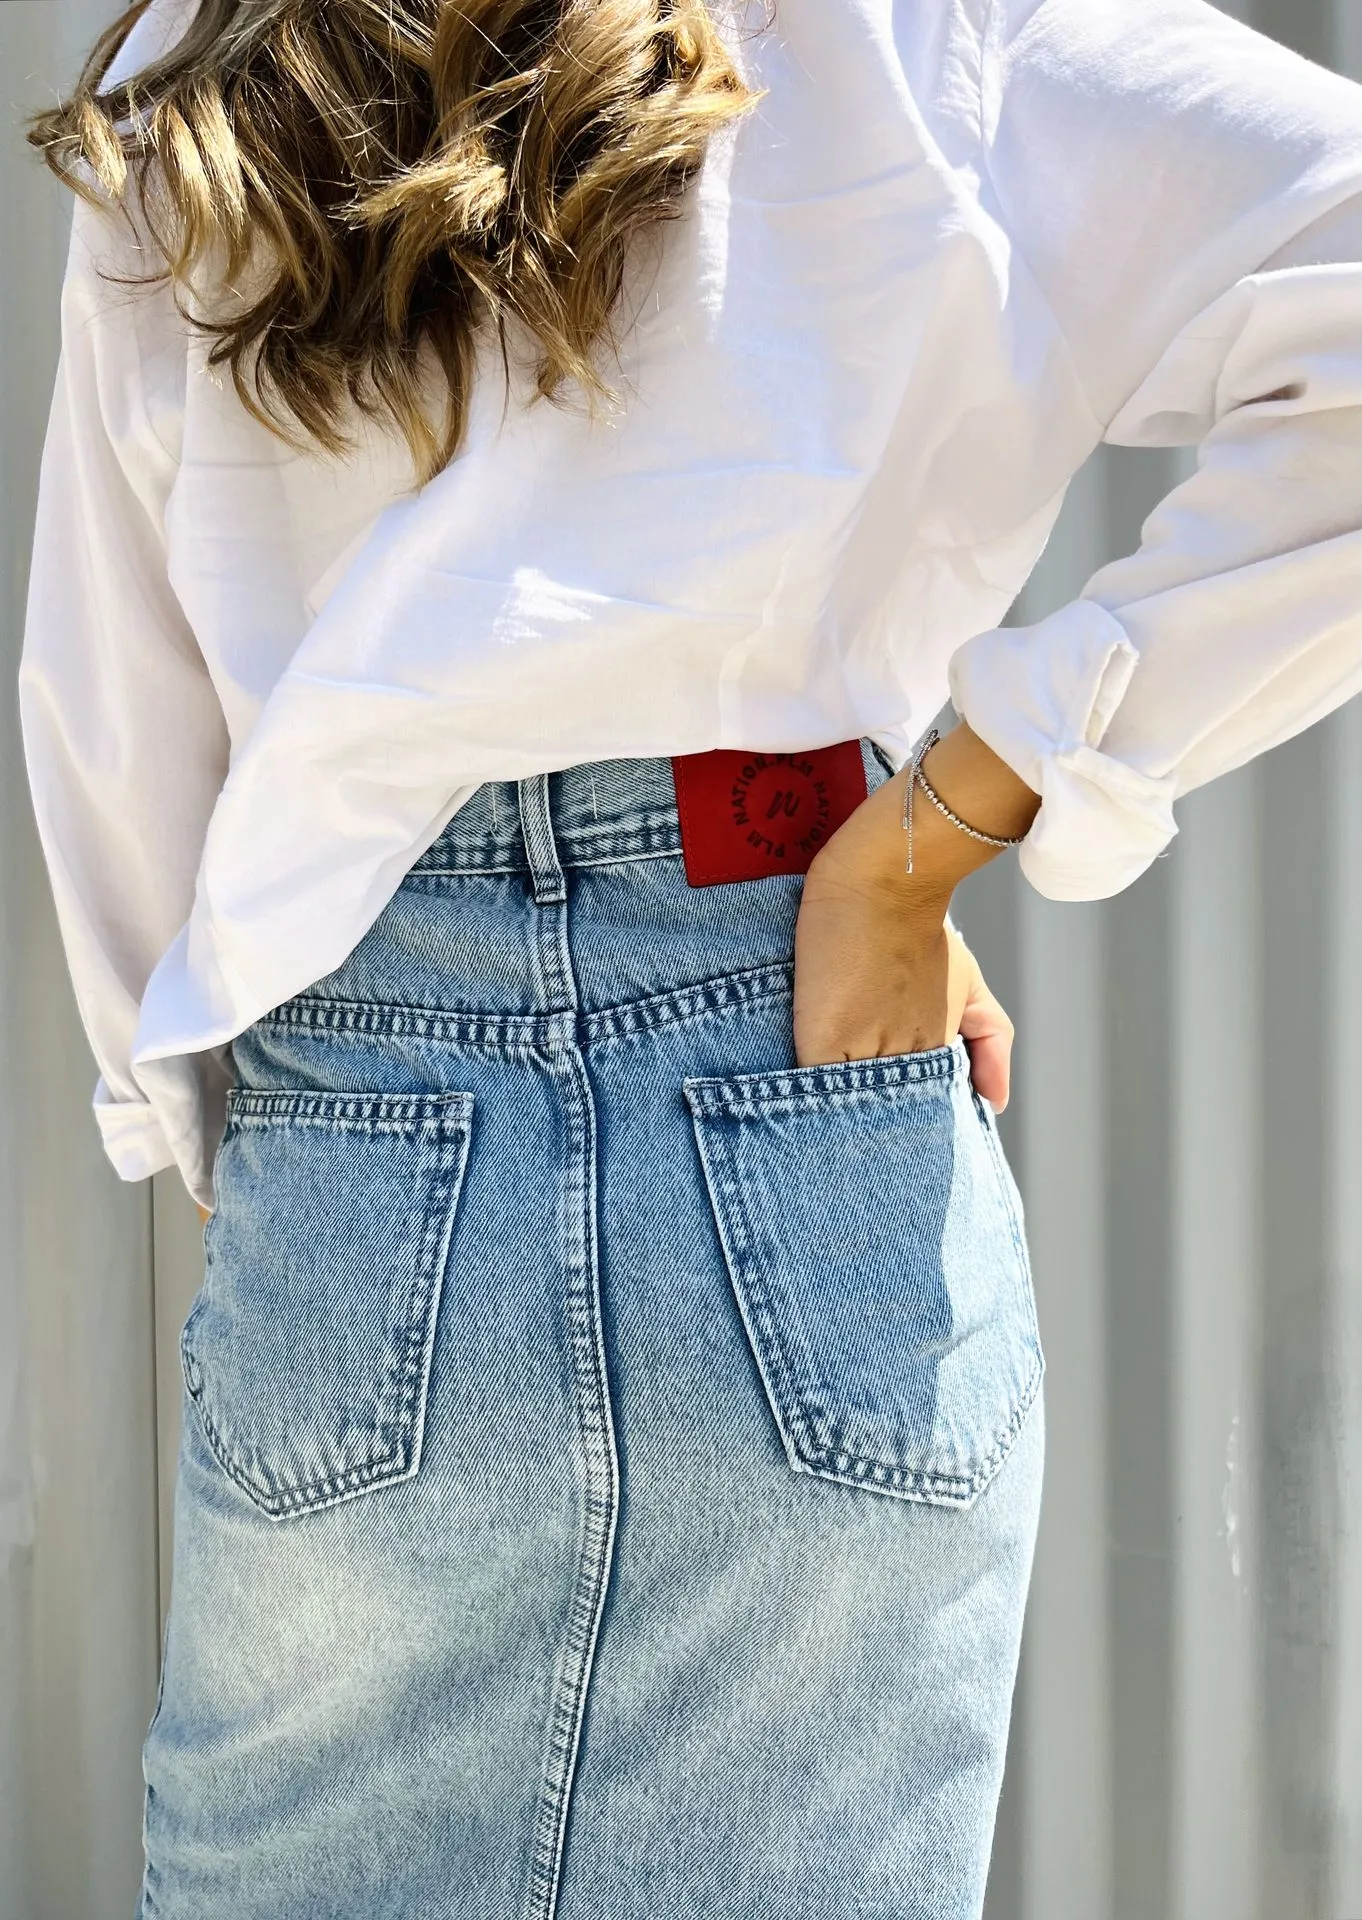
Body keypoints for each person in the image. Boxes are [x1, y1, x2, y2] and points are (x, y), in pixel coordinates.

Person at [19, 0, 1362, 1913]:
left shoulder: (203, 55)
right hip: (800, 1044)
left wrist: (245, 1125)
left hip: (366, 1084)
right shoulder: (918, 35)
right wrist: (912, 851)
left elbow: (114, 688)